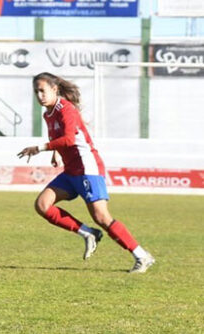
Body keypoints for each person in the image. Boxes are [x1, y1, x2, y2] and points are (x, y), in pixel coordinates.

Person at [18, 72, 155, 273]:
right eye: (36, 91)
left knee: (102, 217)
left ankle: (142, 256)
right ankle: (88, 233)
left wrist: (40, 147)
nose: (39, 95)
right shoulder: (48, 114)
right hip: (71, 170)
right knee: (42, 205)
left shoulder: (66, 109)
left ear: (54, 89)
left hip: (87, 169)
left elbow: (69, 139)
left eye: (43, 90)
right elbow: (60, 138)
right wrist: (56, 153)